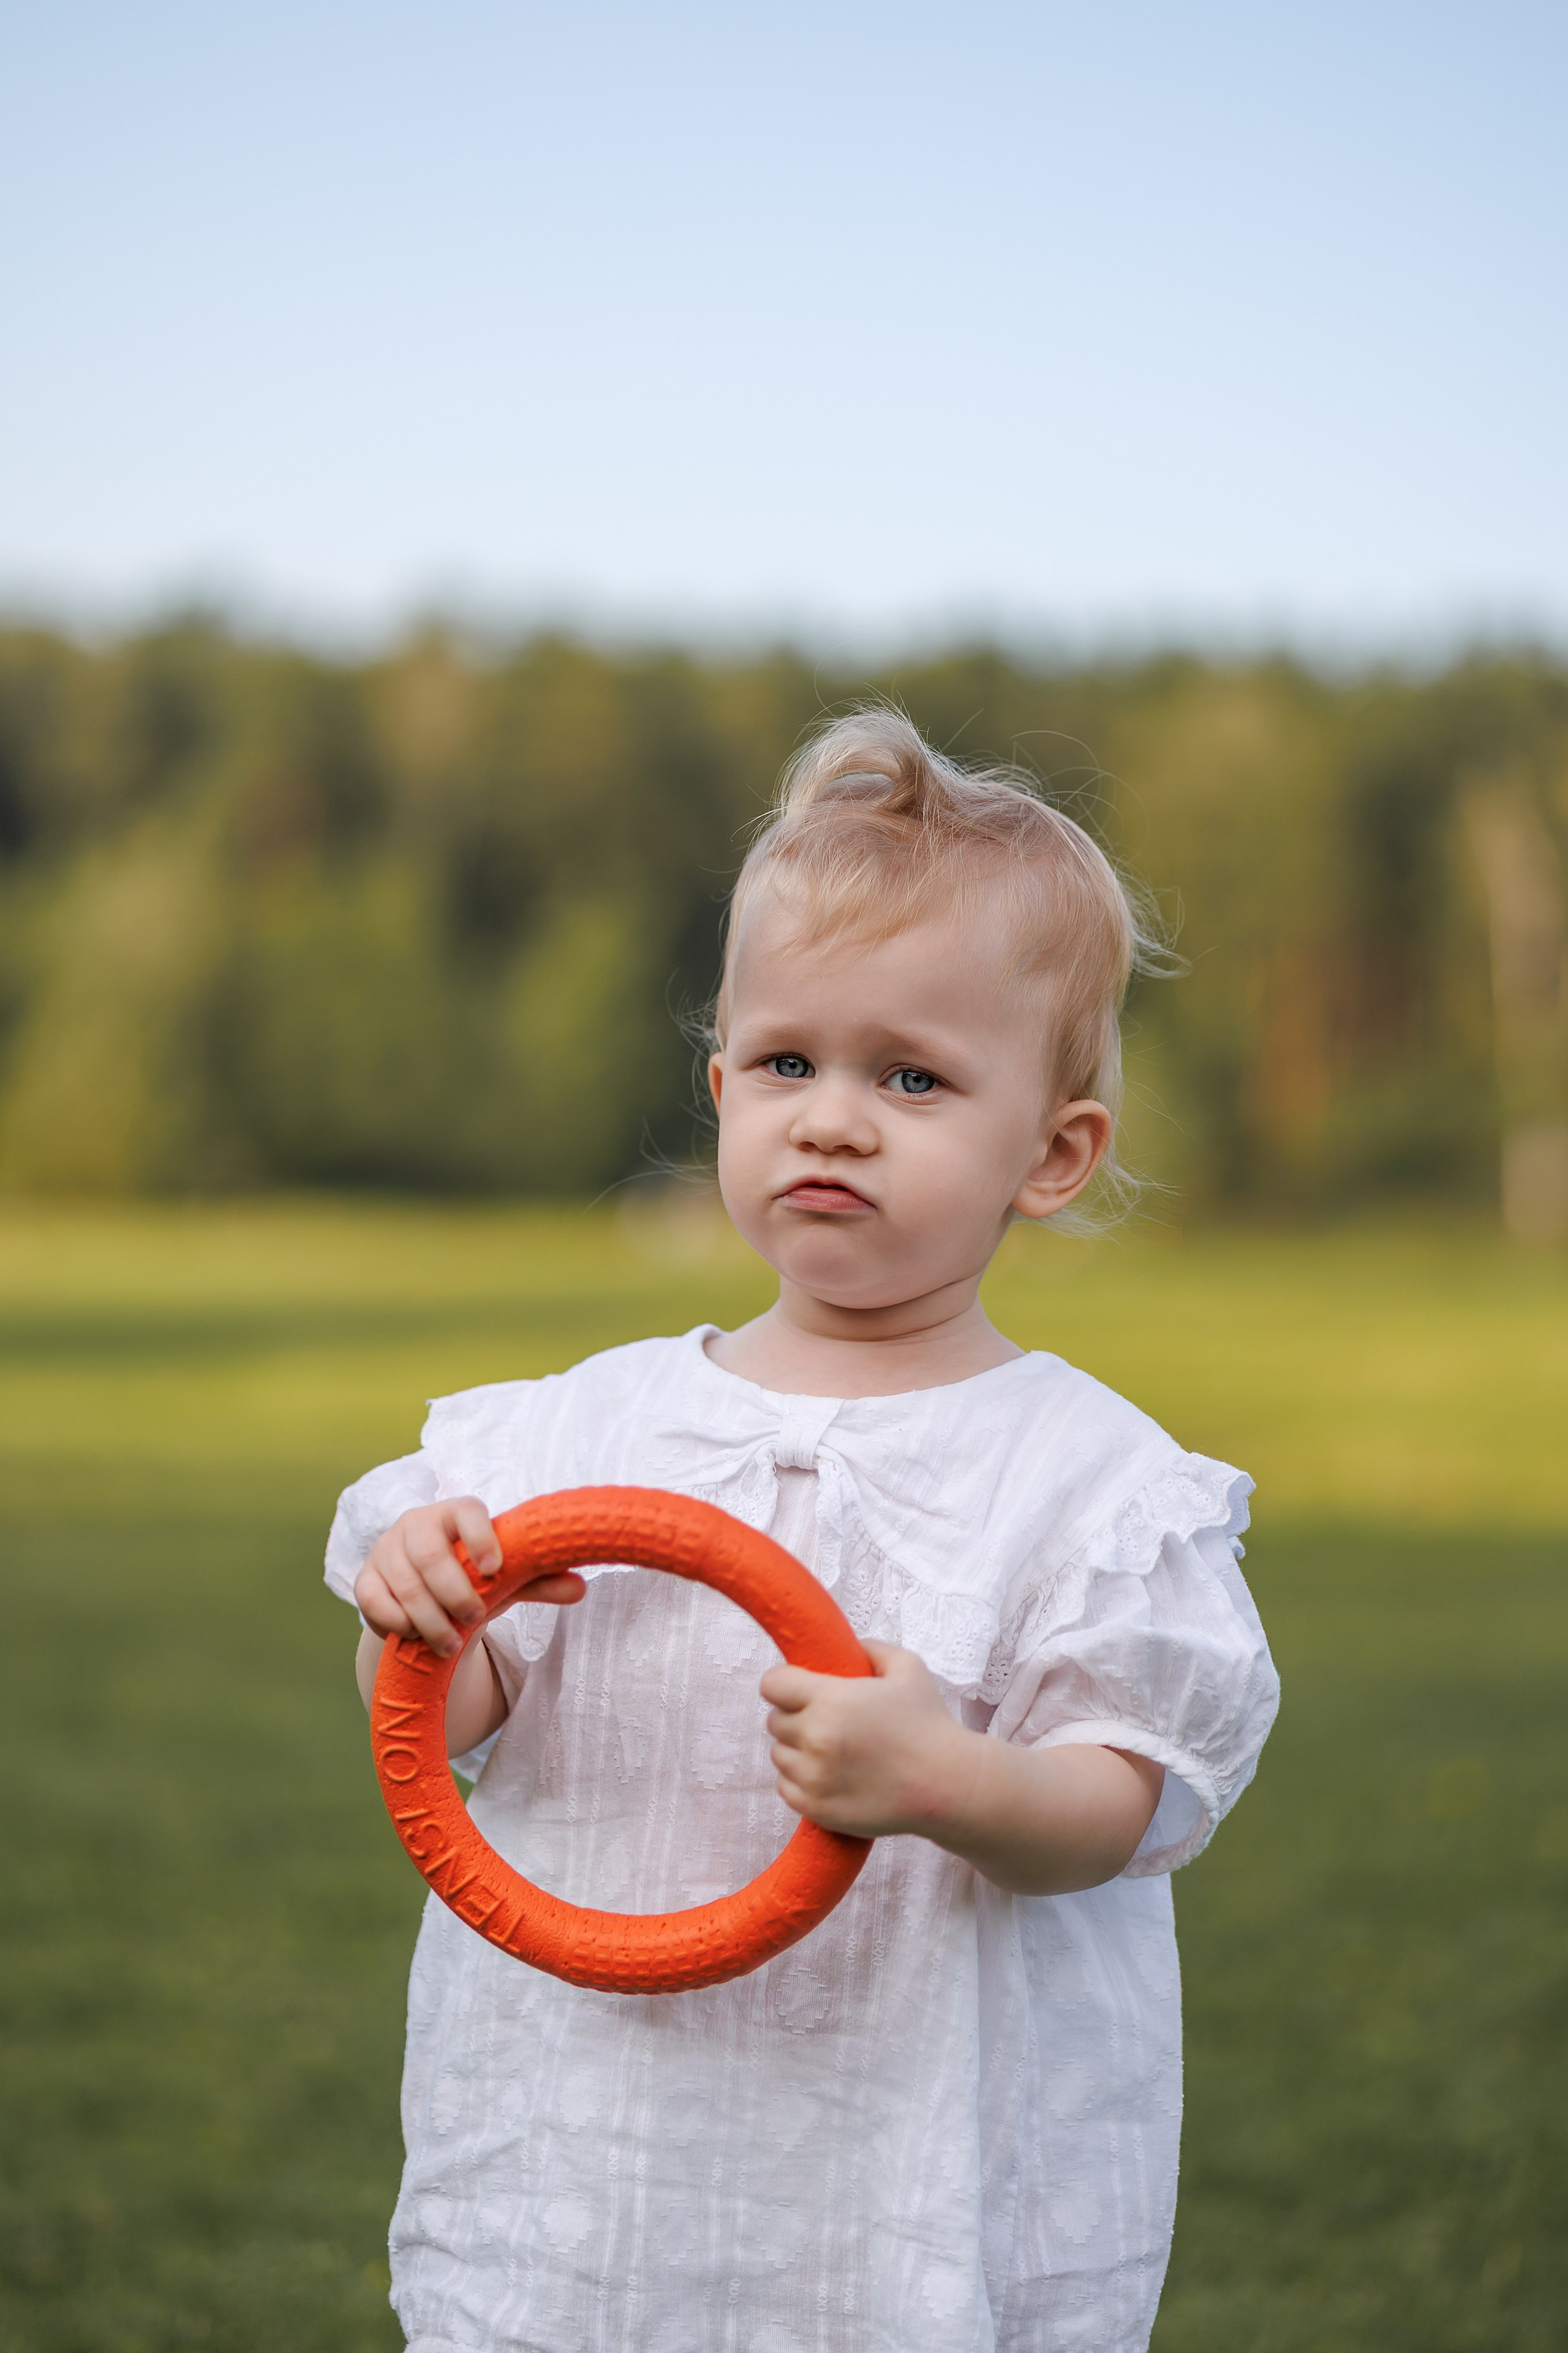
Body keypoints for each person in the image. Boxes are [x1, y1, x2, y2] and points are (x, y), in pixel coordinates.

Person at [326, 709, 1280, 2353]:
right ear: (720, 1089)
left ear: (1052, 1153)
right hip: (590, 2160)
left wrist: (951, 1779)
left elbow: (1131, 1802)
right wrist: (420, 1620)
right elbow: (448, 1723)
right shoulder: (568, 1431)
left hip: (902, 2173)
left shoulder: (1089, 1485)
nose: (833, 1118)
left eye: (912, 1076)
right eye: (787, 1064)